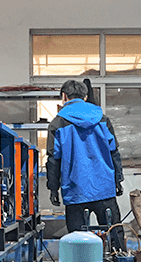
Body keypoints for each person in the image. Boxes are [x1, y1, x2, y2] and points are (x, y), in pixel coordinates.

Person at [47, 79, 124, 246]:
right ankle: (119, 260)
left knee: (77, 242)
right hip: (104, 187)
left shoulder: (57, 123)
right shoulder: (103, 119)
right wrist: (118, 179)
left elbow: (54, 159)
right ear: (85, 96)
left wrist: (53, 188)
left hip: (75, 190)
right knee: (114, 236)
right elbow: (114, 151)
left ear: (64, 96)